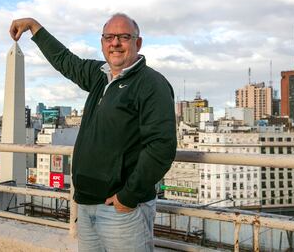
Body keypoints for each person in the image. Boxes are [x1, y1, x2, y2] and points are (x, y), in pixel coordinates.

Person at [10, 13, 176, 251]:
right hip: (86, 205)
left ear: (138, 43)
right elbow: (66, 60)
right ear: (102, 42)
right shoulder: (100, 76)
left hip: (121, 211)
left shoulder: (151, 84)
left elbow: (161, 147)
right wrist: (34, 27)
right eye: (109, 37)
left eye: (123, 37)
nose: (115, 43)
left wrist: (128, 197)